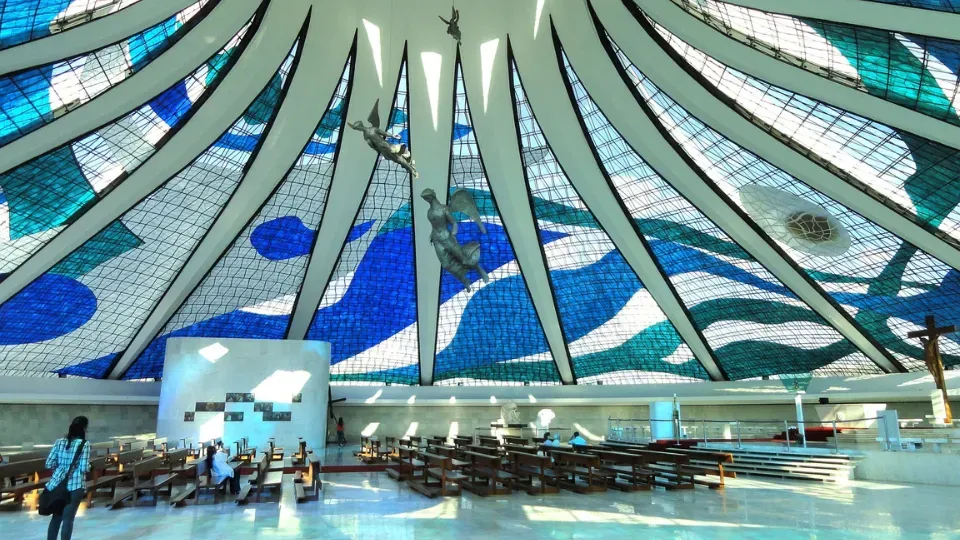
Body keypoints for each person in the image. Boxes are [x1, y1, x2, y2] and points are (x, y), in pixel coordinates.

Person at [45, 416, 90, 540]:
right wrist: (89, 466)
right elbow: (84, 468)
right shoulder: (84, 444)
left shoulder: (59, 442)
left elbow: (49, 463)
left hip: (57, 485)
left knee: (56, 518)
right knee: (68, 520)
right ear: (84, 429)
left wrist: (60, 471)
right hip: (75, 486)